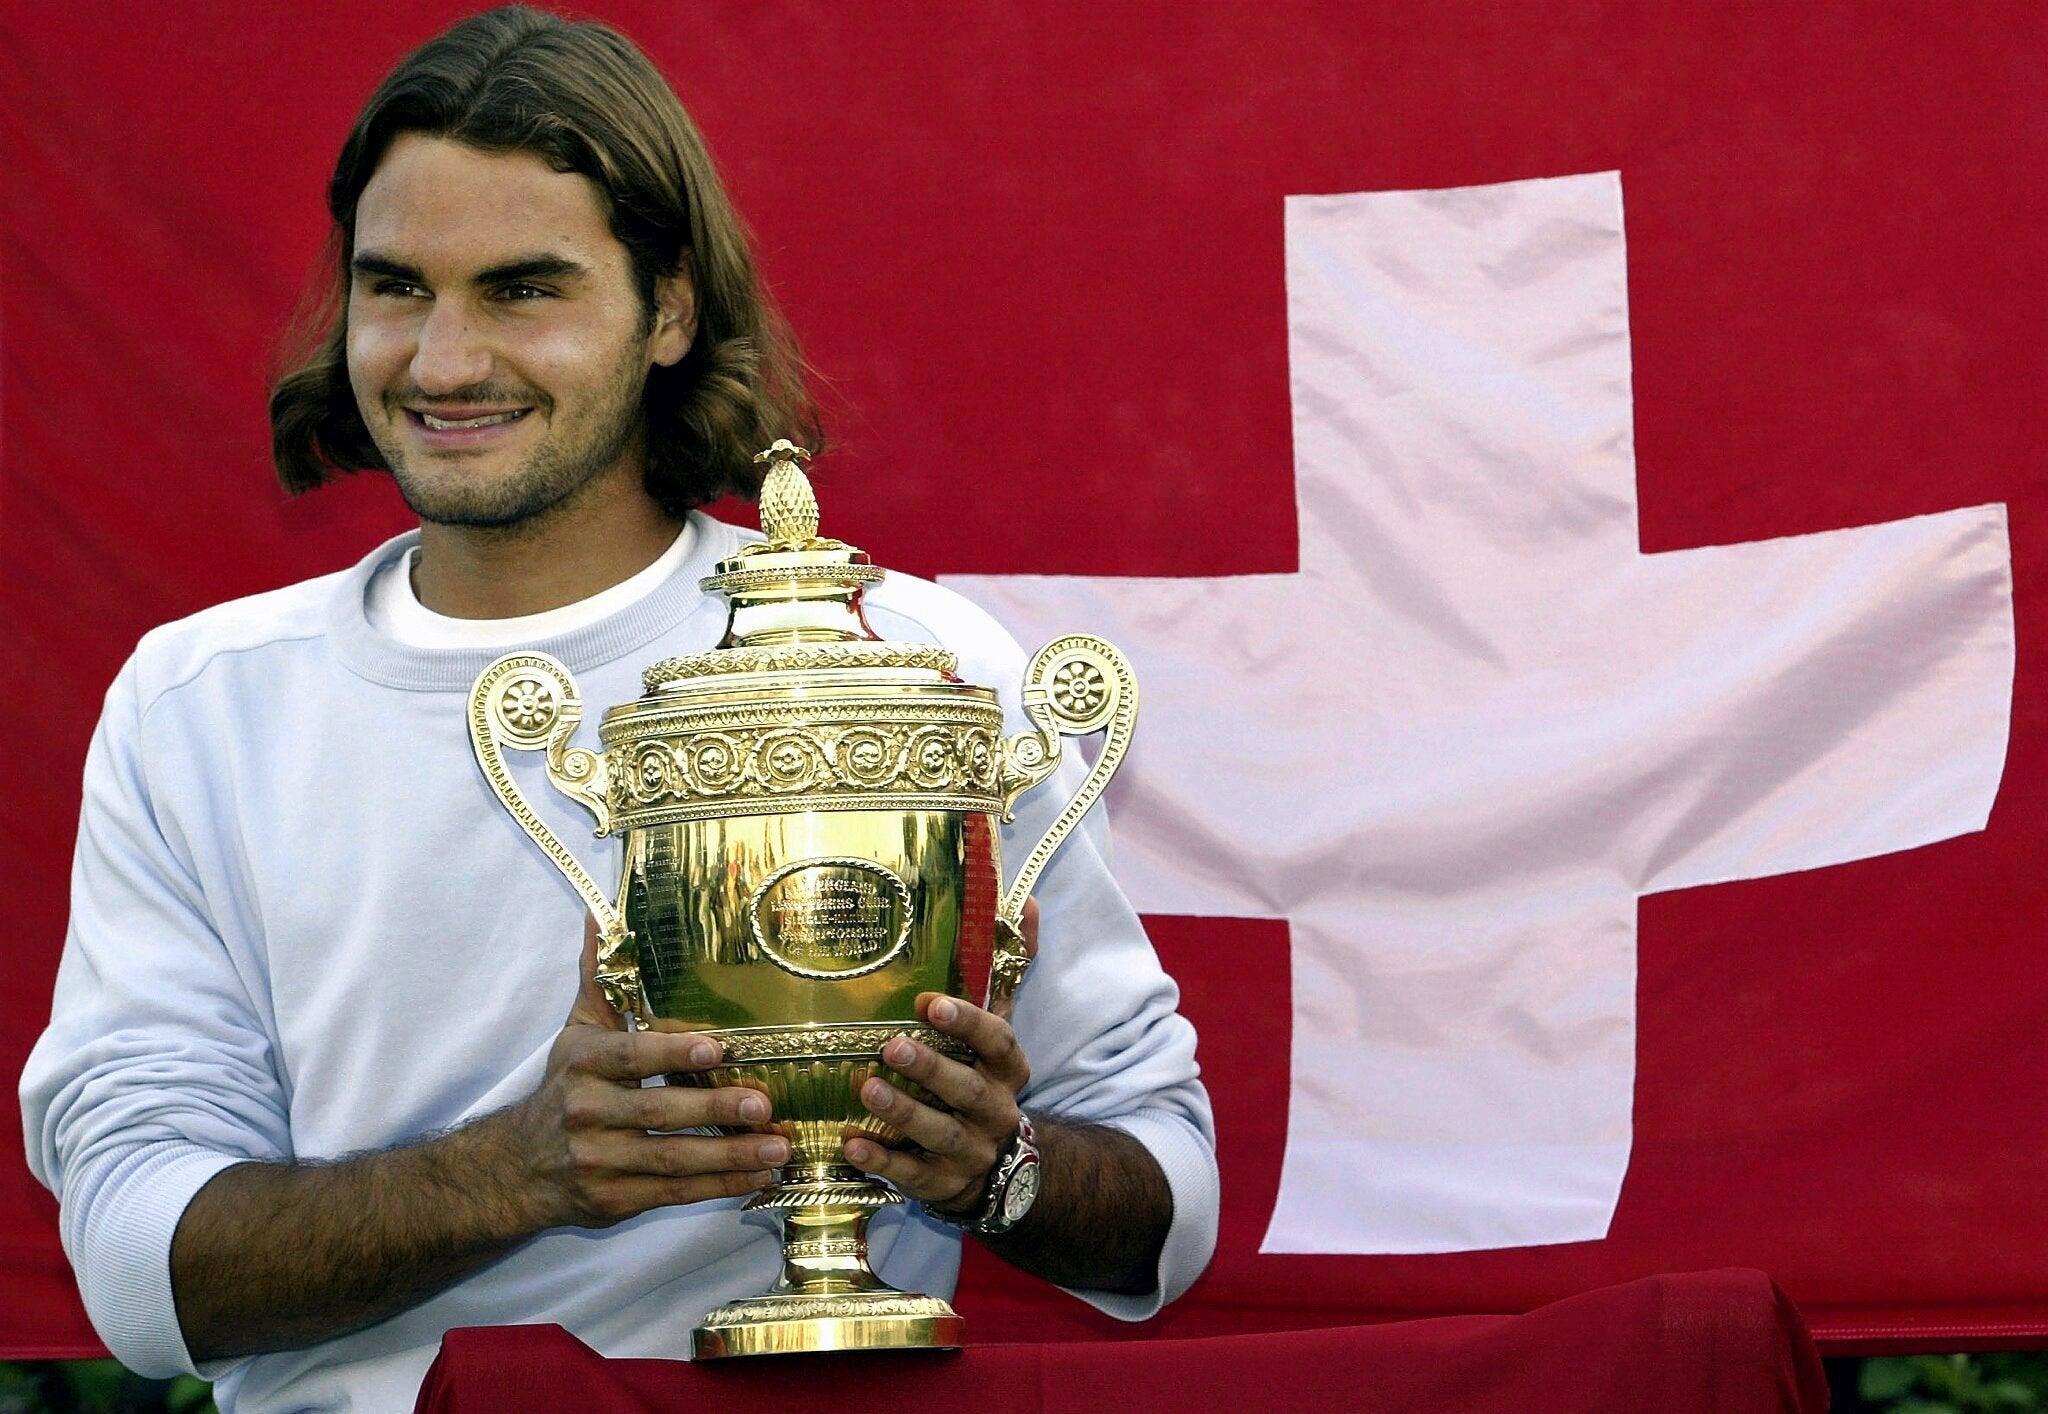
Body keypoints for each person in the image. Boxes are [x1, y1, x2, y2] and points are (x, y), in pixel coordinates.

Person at [17, 8, 1217, 1410]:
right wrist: (520, 1171)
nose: (443, 361)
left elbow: (1168, 1206)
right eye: (396, 288)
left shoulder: (913, 660)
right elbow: (137, 1266)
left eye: (523, 291)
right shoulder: (198, 707)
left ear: (671, 310)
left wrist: (992, 1168)